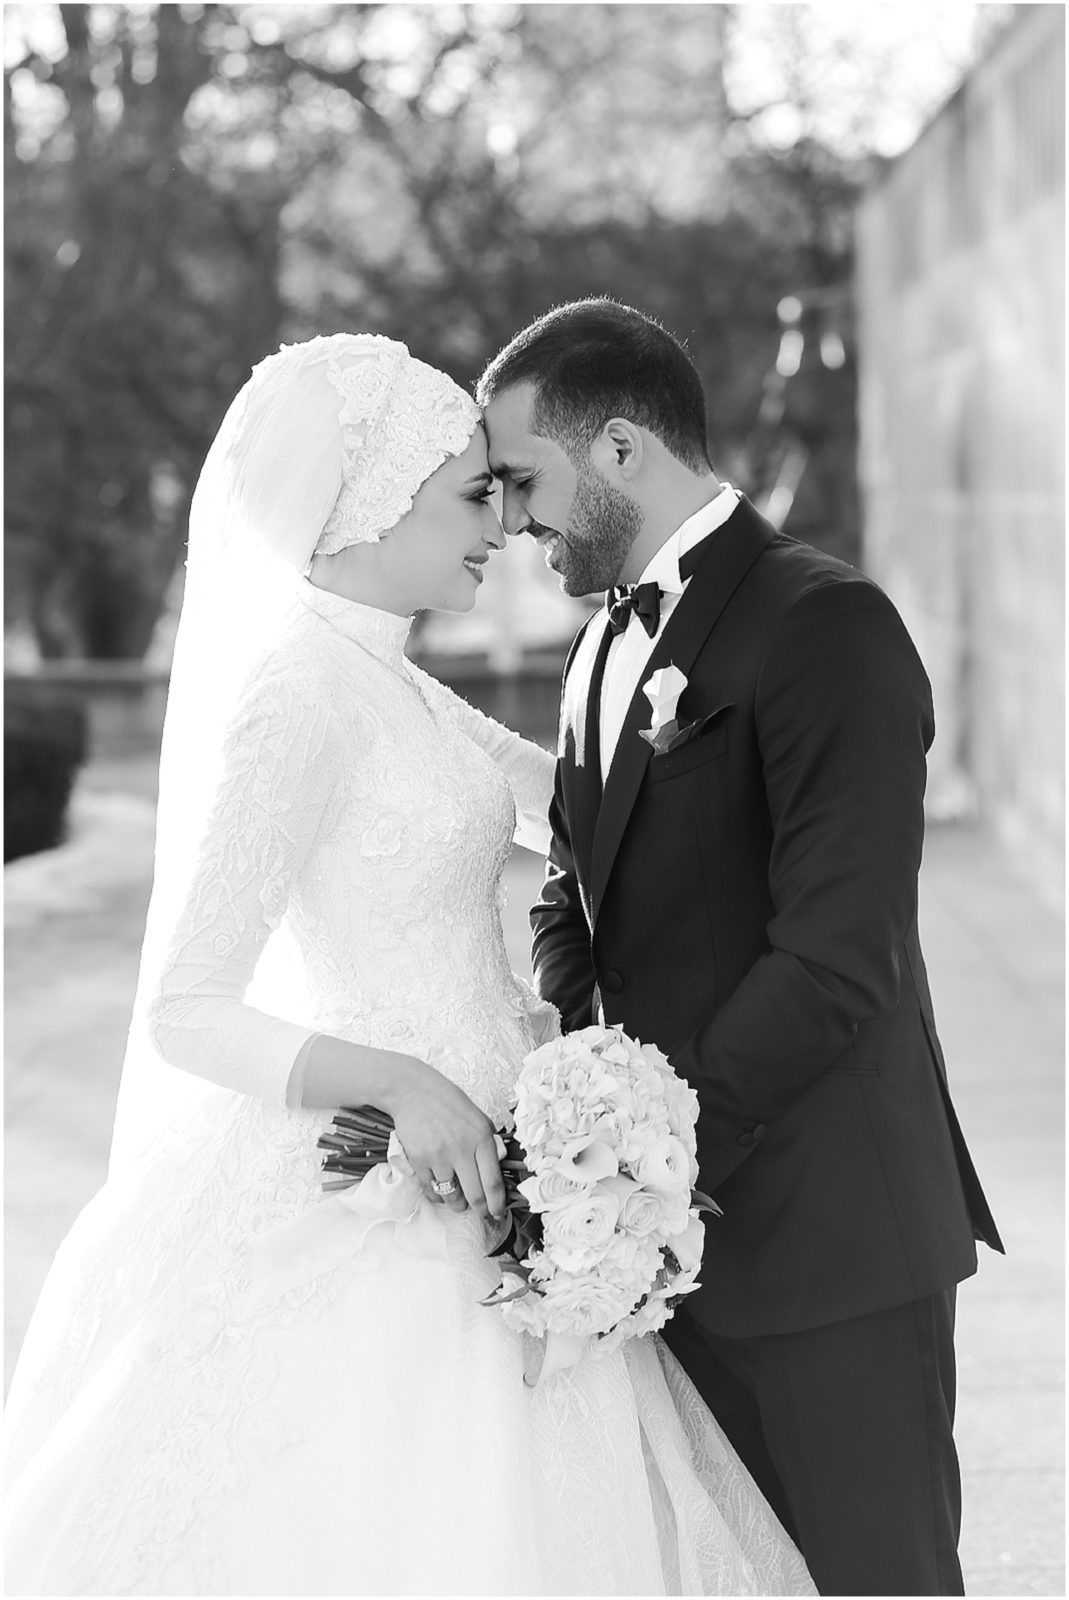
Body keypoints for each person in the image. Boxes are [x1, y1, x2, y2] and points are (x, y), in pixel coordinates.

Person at [3, 333, 814, 1596]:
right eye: (469, 495)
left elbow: (587, 808)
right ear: (371, 503)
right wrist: (399, 1083)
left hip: (504, 1151)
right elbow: (184, 1008)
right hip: (386, 1173)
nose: (500, 523)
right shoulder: (298, 696)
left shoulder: (399, 687)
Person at [478, 297, 1005, 1598]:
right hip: (665, 1254)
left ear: (617, 452)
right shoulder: (597, 646)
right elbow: (570, 898)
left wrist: (655, 1146)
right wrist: (593, 1113)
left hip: (830, 1242)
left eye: (523, 479)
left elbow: (840, 955)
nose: (511, 522)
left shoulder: (826, 626)